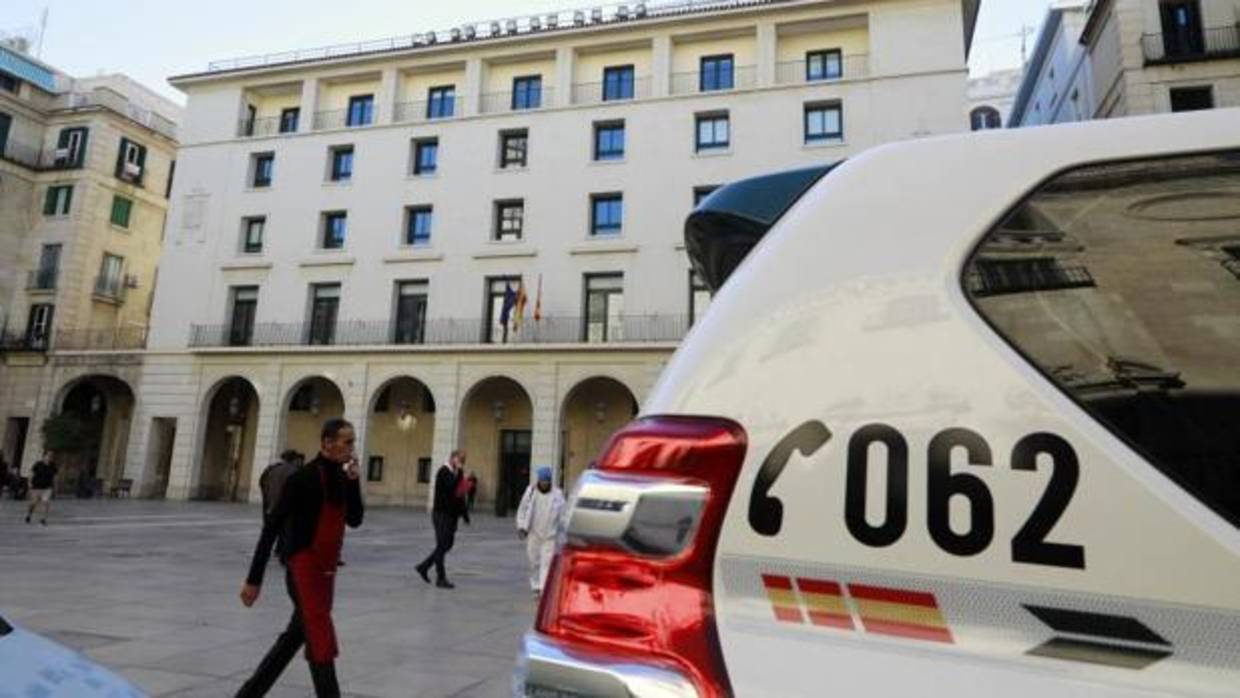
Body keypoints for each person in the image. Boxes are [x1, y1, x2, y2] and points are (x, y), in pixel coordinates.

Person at [235, 419, 364, 698]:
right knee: (320, 636)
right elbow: (270, 528)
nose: (353, 448)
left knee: (296, 635)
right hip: (302, 569)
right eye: (348, 441)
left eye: (353, 441)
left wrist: (354, 482)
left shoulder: (342, 479)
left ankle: (248, 694)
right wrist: (253, 580)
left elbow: (355, 519)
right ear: (328, 443)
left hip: (326, 572)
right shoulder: (302, 479)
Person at [415, 449, 470, 589]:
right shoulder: (443, 472)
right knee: (442, 544)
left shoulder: (457, 474)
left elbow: (460, 496)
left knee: (447, 544)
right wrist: (460, 474)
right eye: (460, 459)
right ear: (453, 458)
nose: (462, 462)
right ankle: (440, 578)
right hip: (441, 514)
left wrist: (465, 515)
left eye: (464, 460)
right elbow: (451, 488)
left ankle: (424, 566)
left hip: (452, 516)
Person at [516, 467, 566, 596]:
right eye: (542, 481)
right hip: (533, 533)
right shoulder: (531, 492)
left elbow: (564, 514)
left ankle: (543, 589)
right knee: (533, 561)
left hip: (550, 535)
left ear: (550, 481)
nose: (544, 484)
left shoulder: (558, 495)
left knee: (546, 563)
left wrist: (564, 532)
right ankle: (535, 584)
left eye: (546, 481)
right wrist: (521, 526)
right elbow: (522, 510)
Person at [258, 449, 304, 558]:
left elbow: (262, 483)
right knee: (287, 530)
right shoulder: (294, 471)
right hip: (285, 505)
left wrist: (267, 496)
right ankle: (283, 553)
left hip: (270, 503)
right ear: (294, 459)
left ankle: (266, 552)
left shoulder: (271, 469)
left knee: (270, 530)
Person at [25, 452, 57, 525]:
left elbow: (55, 477)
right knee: (33, 503)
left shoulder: (53, 465)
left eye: (51, 456)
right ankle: (29, 515)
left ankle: (43, 519)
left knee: (45, 502)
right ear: (44, 457)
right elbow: (31, 474)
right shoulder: (38, 464)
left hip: (47, 488)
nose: (49, 457)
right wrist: (29, 483)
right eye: (48, 456)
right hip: (36, 487)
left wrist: (55, 487)